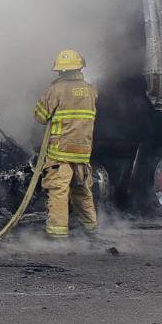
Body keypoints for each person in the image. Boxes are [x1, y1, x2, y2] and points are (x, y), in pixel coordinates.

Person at [33, 49, 98, 239]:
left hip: (60, 152)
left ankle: (56, 233)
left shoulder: (56, 90)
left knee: (58, 191)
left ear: (61, 71)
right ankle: (91, 229)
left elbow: (40, 116)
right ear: (79, 68)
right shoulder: (91, 90)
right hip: (83, 152)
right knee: (82, 190)